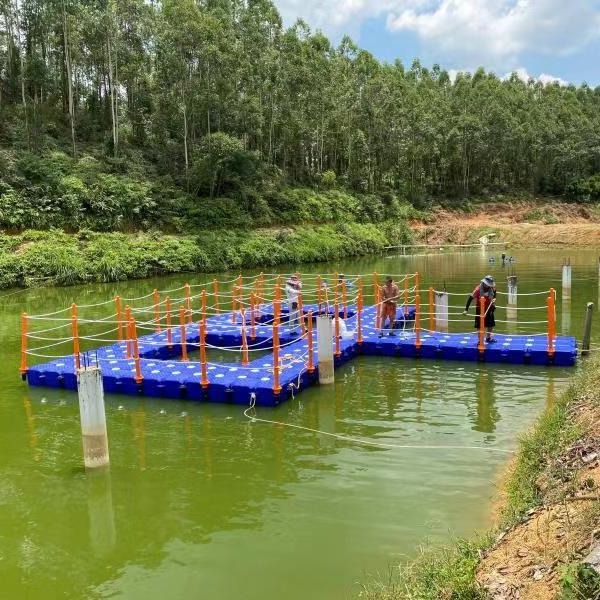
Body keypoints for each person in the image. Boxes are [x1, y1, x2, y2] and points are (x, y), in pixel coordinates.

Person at [463, 275, 497, 343]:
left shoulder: (491, 288)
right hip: (479, 309)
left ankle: (488, 338)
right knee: (479, 326)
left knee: (490, 324)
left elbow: (494, 295)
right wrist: (466, 310)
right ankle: (480, 340)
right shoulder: (478, 290)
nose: (489, 286)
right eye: (488, 284)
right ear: (484, 283)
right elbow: (470, 299)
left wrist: (493, 304)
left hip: (489, 308)